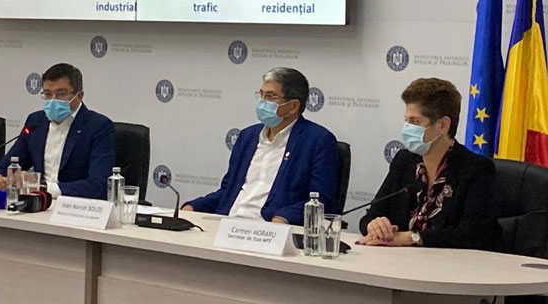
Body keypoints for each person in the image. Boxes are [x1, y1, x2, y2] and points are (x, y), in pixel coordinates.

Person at [182, 67, 340, 224]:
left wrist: (284, 218)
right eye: (261, 95)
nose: (263, 102)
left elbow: (322, 201)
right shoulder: (248, 137)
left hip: (269, 229)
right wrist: (193, 207)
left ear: (293, 106)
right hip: (228, 225)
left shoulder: (318, 140)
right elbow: (228, 192)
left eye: (270, 97)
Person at [359, 78, 502, 250]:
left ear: (443, 125)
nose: (407, 128)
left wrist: (413, 238)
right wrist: (374, 225)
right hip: (399, 261)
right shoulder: (404, 161)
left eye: (415, 122)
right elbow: (371, 215)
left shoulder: (476, 169)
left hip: (450, 264)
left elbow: (475, 234)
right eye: (406, 120)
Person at [0, 63, 114, 200]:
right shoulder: (36, 121)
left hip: (75, 205)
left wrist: (43, 187)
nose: (53, 100)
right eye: (47, 94)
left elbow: (99, 185)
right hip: (38, 203)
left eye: (61, 94)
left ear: (79, 96)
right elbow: (8, 165)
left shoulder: (98, 126)